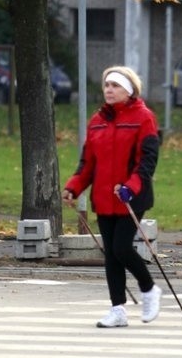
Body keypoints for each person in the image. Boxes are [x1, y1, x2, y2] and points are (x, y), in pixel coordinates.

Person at [62, 65, 162, 328]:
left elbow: (148, 160)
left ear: (128, 91)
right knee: (111, 255)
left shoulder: (144, 118)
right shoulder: (97, 121)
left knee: (121, 247)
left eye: (115, 85)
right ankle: (117, 309)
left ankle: (149, 288)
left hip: (132, 196)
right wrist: (74, 186)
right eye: (106, 85)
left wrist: (131, 186)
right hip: (104, 198)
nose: (109, 89)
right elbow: (88, 163)